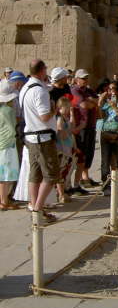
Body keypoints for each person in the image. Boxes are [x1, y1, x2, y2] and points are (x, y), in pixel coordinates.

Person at [18, 59, 59, 223]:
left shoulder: (24, 88)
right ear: (42, 70)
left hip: (30, 136)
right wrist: (54, 109)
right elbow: (43, 116)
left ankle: (35, 206)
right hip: (42, 137)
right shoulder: (40, 91)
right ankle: (38, 209)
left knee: (35, 174)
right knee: (51, 175)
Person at [97, 80, 118, 194]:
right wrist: (100, 104)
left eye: (113, 89)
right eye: (109, 89)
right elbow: (101, 117)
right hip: (106, 132)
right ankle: (106, 185)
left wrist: (116, 107)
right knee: (105, 161)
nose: (111, 91)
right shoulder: (106, 102)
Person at [70, 69, 99, 187]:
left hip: (91, 125)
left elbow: (98, 102)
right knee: (81, 152)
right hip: (80, 126)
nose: (85, 80)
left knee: (89, 151)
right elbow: (84, 105)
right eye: (83, 78)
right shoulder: (75, 91)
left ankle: (85, 175)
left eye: (86, 78)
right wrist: (92, 102)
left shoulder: (89, 91)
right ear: (76, 79)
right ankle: (80, 177)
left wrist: (93, 102)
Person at [0, 79, 21, 210]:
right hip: (7, 144)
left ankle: (4, 199)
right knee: (6, 175)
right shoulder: (7, 111)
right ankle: (4, 200)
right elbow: (12, 127)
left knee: (3, 174)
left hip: (2, 144)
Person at [55, 96, 75, 205]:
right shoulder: (59, 119)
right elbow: (61, 133)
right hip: (62, 149)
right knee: (61, 173)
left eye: (69, 107)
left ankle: (62, 193)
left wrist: (72, 115)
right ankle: (61, 194)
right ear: (59, 108)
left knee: (65, 172)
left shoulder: (66, 118)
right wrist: (67, 132)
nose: (67, 109)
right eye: (65, 107)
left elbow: (73, 126)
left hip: (67, 148)